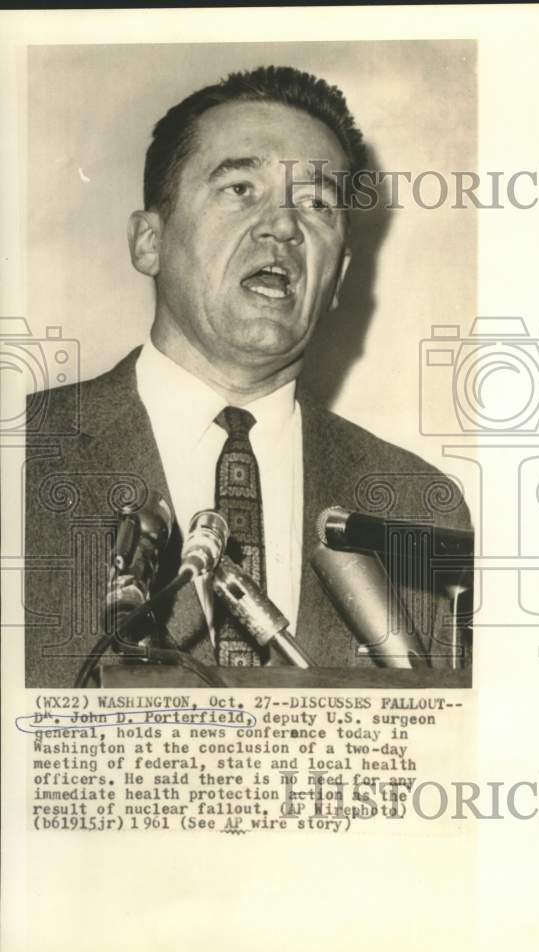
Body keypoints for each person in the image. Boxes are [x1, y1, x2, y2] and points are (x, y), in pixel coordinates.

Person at [24, 65, 472, 689]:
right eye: (239, 188)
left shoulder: (421, 507)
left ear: (339, 275)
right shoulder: (23, 456)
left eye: (317, 204)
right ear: (148, 241)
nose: (283, 227)